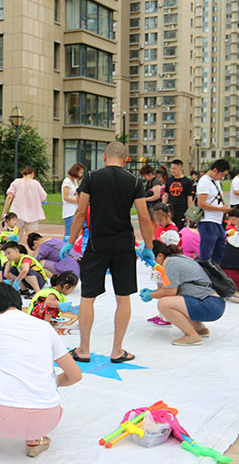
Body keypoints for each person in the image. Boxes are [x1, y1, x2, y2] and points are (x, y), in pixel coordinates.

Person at [0, 283, 82, 457]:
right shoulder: (45, 327)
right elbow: (75, 375)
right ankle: (34, 440)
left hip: (3, 418)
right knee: (44, 373)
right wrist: (53, 381)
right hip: (48, 420)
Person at [61, 142, 154, 364]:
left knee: (88, 297)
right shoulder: (134, 181)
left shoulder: (92, 177)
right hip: (123, 245)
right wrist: (149, 247)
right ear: (126, 160)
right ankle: (117, 350)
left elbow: (81, 211)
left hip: (97, 243)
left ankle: (83, 349)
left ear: (104, 157)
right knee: (123, 297)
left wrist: (70, 241)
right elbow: (143, 216)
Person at [139, 240, 225, 346]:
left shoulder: (170, 263)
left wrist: (151, 295)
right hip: (213, 303)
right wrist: (154, 292)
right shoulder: (177, 259)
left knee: (164, 304)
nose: (149, 264)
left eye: (149, 259)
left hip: (209, 304)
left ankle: (192, 336)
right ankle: (200, 329)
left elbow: (170, 292)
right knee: (175, 300)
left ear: (160, 255)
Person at [1, 165, 48, 247]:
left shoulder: (16, 182)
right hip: (33, 214)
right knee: (31, 238)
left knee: (14, 235)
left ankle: (14, 252)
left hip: (17, 213)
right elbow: (43, 197)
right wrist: (43, 201)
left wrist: (4, 211)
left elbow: (9, 196)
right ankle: (29, 254)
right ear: (32, 174)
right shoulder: (35, 183)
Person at [196, 159, 233, 263]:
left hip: (217, 220)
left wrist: (223, 209)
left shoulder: (216, 181)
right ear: (215, 170)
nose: (222, 177)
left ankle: (216, 271)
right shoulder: (204, 181)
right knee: (207, 255)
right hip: (208, 221)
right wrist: (221, 209)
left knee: (219, 252)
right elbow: (201, 203)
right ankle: (206, 272)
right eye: (222, 174)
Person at [163, 159, 194, 229]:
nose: (172, 170)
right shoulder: (169, 180)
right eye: (171, 168)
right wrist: (162, 207)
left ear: (180, 168)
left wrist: (189, 213)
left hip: (181, 210)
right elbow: (166, 195)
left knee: (180, 229)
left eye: (174, 168)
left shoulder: (187, 182)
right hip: (170, 209)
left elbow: (189, 199)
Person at [61, 163, 84, 241]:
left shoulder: (74, 181)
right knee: (69, 233)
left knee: (77, 233)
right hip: (69, 211)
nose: (81, 175)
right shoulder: (67, 181)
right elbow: (66, 197)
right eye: (80, 172)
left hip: (75, 209)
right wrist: (77, 201)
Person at [140, 164, 162, 230]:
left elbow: (157, 195)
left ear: (150, 174)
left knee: (155, 223)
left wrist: (146, 199)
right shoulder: (149, 182)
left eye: (145, 175)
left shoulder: (155, 182)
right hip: (150, 206)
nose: (144, 178)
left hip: (154, 206)